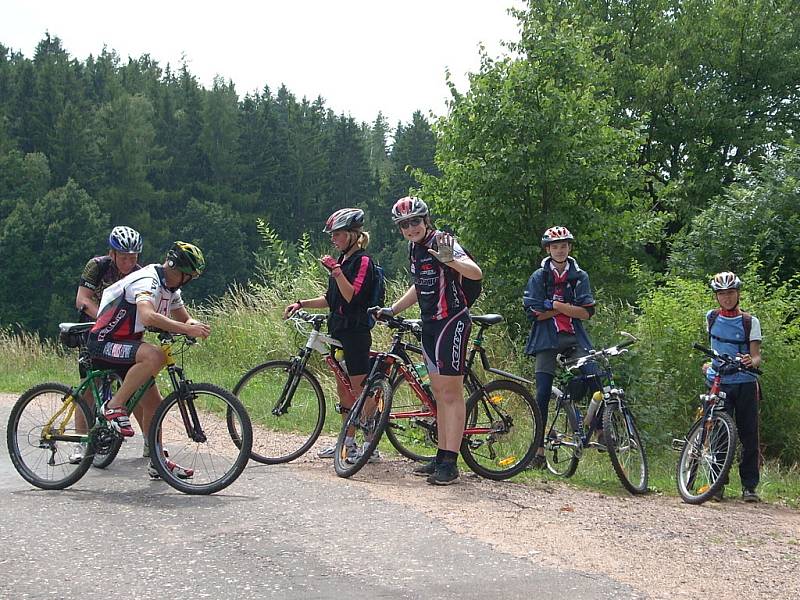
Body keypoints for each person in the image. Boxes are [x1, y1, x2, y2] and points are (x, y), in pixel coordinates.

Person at [378, 196, 482, 485]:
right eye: (404, 225)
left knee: (451, 394)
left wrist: (451, 259)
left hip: (452, 321)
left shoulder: (442, 241)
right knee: (439, 393)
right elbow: (419, 284)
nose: (410, 228)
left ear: (425, 220)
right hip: (430, 324)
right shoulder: (415, 248)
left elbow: (476, 272)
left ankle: (451, 463)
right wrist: (393, 309)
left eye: (414, 222)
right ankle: (441, 456)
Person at [87, 241, 211, 479]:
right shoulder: (148, 281)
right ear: (179, 271)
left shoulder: (171, 289)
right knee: (154, 355)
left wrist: (196, 326)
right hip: (103, 341)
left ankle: (157, 460)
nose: (192, 279)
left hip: (126, 346)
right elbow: (147, 314)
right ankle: (113, 406)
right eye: (191, 275)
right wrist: (186, 330)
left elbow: (185, 319)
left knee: (155, 404)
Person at [284, 208, 379, 463]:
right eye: (332, 235)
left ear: (352, 235)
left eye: (337, 234)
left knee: (360, 389)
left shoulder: (362, 262)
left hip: (356, 333)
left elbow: (352, 296)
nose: (333, 239)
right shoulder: (344, 260)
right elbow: (331, 298)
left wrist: (336, 271)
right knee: (343, 389)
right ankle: (346, 443)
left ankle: (370, 443)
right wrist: (301, 303)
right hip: (338, 329)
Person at [522, 226, 598, 468]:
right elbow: (534, 314)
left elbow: (586, 313)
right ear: (548, 249)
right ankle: (539, 451)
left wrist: (554, 305)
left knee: (596, 377)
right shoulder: (539, 277)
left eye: (564, 246)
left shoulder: (579, 276)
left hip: (575, 337)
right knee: (542, 393)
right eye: (555, 246)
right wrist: (568, 308)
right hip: (546, 339)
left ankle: (598, 430)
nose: (560, 250)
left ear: (570, 248)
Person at [69, 226, 145, 464]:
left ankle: (150, 443)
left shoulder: (140, 273)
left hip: (124, 336)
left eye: (133, 257)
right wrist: (104, 317)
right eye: (123, 257)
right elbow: (82, 299)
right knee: (89, 386)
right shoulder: (97, 266)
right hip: (95, 332)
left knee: (138, 387)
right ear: (112, 253)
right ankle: (80, 444)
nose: (128, 262)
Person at [704, 271, 763, 502]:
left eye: (730, 293)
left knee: (749, 435)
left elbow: (757, 357)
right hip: (720, 382)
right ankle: (717, 485)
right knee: (719, 433)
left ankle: (749, 487)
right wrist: (708, 364)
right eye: (722, 294)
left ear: (737, 293)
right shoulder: (710, 318)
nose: (726, 298)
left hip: (746, 383)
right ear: (716, 296)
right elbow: (713, 349)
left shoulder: (750, 322)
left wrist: (751, 360)